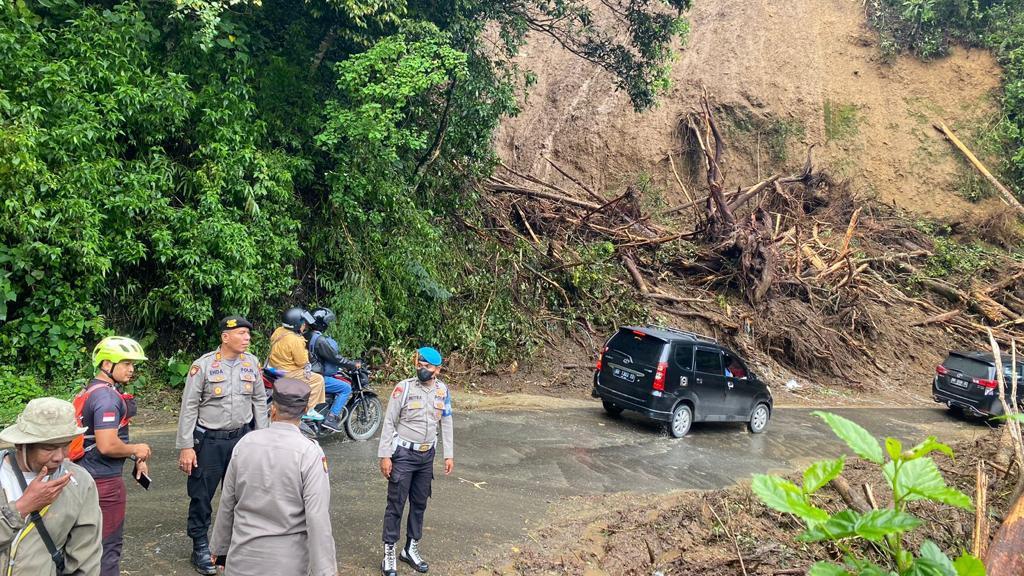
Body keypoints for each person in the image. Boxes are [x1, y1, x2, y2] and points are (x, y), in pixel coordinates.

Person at [210, 378, 336, 576]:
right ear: (304, 412)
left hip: (242, 560)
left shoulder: (245, 444)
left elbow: (227, 503)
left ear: (273, 409)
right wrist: (326, 571)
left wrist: (220, 550)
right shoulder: (309, 453)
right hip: (287, 564)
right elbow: (317, 517)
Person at [176, 315, 269, 575]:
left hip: (242, 440)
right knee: (201, 496)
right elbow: (189, 407)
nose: (247, 338)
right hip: (209, 443)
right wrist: (186, 446)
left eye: (248, 334)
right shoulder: (203, 366)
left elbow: (260, 401)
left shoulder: (251, 364)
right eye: (241, 333)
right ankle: (200, 546)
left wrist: (263, 439)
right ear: (225, 337)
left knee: (242, 495)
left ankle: (232, 547)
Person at [0, 397, 103, 575]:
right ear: (21, 444)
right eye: (48, 448)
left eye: (65, 446)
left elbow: (86, 560)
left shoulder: (78, 483)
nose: (59, 457)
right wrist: (21, 508)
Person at [78, 336, 152, 576]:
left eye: (133, 364)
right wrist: (136, 449)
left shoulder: (91, 390)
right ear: (106, 364)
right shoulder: (107, 397)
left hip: (83, 474)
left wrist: (133, 458)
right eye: (126, 363)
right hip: (103, 481)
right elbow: (107, 445)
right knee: (107, 547)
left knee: (81, 545)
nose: (132, 370)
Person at [377, 347, 454, 576]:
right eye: (420, 364)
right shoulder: (405, 387)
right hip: (403, 455)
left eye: (427, 367)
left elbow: (446, 422)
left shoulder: (442, 390)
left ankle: (410, 549)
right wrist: (385, 455)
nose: (422, 369)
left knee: (419, 504)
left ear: (437, 370)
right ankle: (389, 552)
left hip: (426, 456)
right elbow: (389, 421)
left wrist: (448, 454)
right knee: (396, 504)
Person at [268, 307, 326, 422]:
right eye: (303, 323)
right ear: (296, 324)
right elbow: (301, 362)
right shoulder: (295, 340)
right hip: (288, 372)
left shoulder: (279, 331)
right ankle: (308, 409)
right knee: (318, 379)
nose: (304, 326)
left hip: (274, 367)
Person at [307, 307, 360, 432]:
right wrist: (353, 364)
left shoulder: (306, 335)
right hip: (315, 376)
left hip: (306, 372)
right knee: (345, 388)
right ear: (322, 323)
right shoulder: (319, 340)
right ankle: (331, 418)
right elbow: (336, 358)